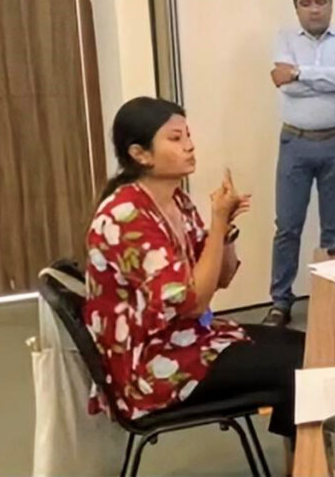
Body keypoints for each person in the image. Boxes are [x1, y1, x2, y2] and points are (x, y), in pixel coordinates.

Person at [84, 97, 305, 443]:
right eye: (175, 138)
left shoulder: (177, 199)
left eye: (187, 135)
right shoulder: (125, 215)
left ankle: (302, 462)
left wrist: (226, 227)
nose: (189, 145)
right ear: (140, 154)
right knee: (298, 366)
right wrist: (217, 222)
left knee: (307, 348)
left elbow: (221, 276)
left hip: (189, 337)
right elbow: (194, 303)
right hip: (151, 368)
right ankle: (309, 463)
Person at [265, 0, 335, 327]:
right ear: (296, 8)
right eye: (305, 3)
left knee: (334, 228)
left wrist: (300, 74)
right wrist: (328, 80)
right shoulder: (284, 38)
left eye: (321, 1)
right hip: (295, 143)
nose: (314, 10)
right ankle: (280, 300)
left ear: (331, 3)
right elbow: (286, 86)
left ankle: (330, 297)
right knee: (287, 226)